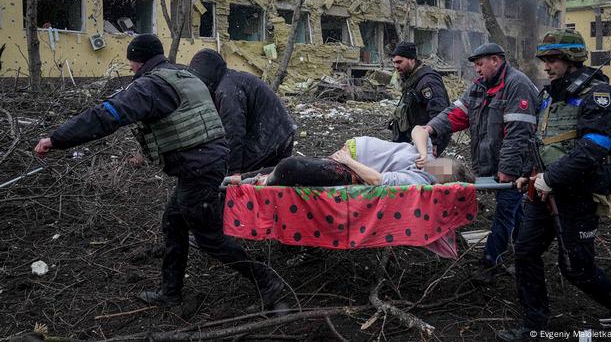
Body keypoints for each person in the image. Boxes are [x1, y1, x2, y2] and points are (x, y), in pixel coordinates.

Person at [34, 34, 284, 309]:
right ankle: (170, 292)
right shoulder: (181, 74)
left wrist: (57, 139)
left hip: (198, 167)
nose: (130, 69)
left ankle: (267, 281)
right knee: (173, 222)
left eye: (131, 63)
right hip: (205, 163)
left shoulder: (151, 86)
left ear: (138, 62)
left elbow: (107, 115)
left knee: (210, 238)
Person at [497, 29, 611, 341]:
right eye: (545, 59)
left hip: (578, 193)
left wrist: (550, 178)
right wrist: (528, 174)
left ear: (571, 59)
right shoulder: (549, 94)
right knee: (525, 251)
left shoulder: (598, 95)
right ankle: (534, 326)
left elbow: (594, 147)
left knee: (577, 268)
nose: (547, 65)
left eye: (553, 59)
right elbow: (542, 142)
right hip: (543, 191)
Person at [418, 42, 538, 281]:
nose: (477, 70)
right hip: (492, 163)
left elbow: (518, 133)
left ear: (496, 60)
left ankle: (491, 262)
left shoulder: (517, 85)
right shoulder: (478, 88)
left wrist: (508, 169)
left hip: (516, 166)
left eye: (480, 64)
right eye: (474, 65)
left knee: (505, 212)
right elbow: (456, 114)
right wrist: (430, 128)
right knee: (514, 210)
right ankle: (527, 252)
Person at [189, 49, 296, 180]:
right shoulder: (230, 80)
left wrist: (233, 172)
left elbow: (234, 132)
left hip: (271, 138)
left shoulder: (227, 90)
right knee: (269, 183)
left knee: (242, 180)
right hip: (280, 133)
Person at [245, 127, 471, 187]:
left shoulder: (419, 179)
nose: (439, 167)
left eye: (444, 172)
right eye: (445, 163)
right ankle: (241, 178)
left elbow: (378, 180)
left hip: (351, 170)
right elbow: (419, 130)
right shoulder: (427, 158)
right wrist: (423, 152)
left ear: (442, 182)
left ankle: (256, 183)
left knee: (291, 167)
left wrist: (348, 161)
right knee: (291, 167)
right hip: (349, 154)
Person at [388, 41, 451, 156]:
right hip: (414, 140)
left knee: (424, 172)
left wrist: (434, 142)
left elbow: (439, 113)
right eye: (394, 63)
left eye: (399, 62)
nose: (396, 66)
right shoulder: (412, 79)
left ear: (412, 59)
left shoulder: (427, 82)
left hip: (426, 141)